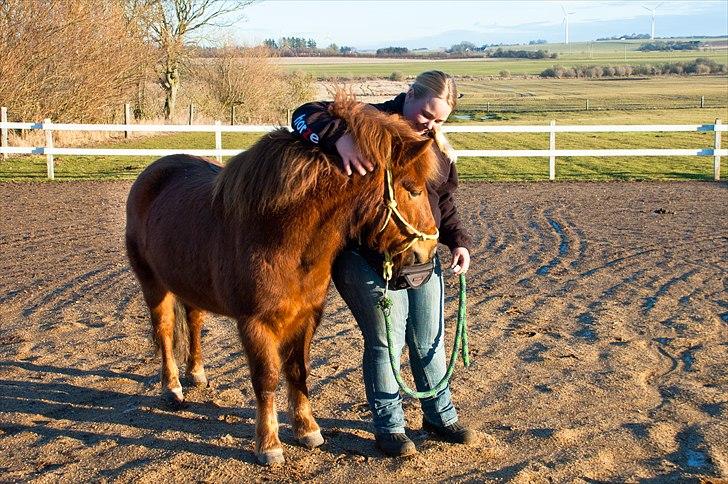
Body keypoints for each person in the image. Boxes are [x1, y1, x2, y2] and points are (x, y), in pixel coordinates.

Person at [291, 71, 476, 457]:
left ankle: (439, 416)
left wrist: (458, 242)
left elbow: (443, 203)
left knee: (430, 341)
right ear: (409, 95)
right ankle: (389, 427)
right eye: (426, 114)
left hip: (422, 257)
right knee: (384, 344)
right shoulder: (369, 122)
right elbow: (303, 114)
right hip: (366, 258)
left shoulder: (434, 147)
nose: (430, 125)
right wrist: (340, 138)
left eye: (440, 120)